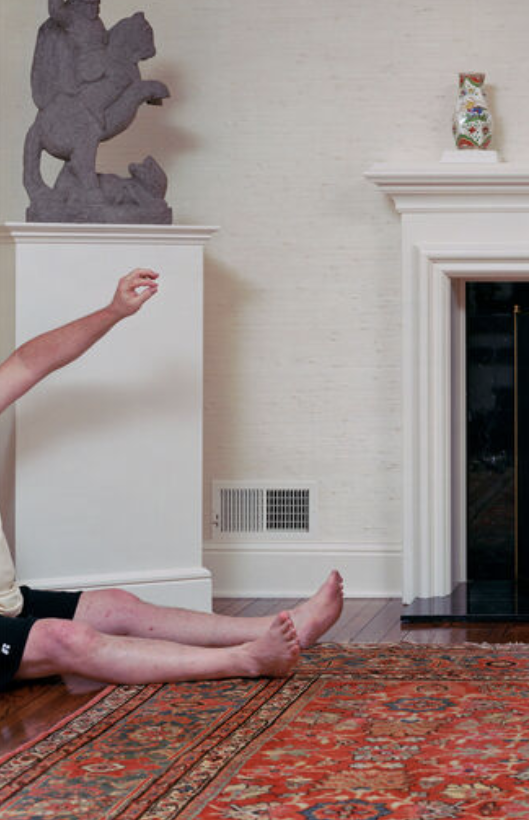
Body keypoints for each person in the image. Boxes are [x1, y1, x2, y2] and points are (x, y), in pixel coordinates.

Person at [0, 267, 343, 687]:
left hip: (6, 604)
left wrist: (113, 312)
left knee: (119, 607)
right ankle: (248, 659)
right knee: (65, 639)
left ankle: (281, 625)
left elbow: (28, 361)